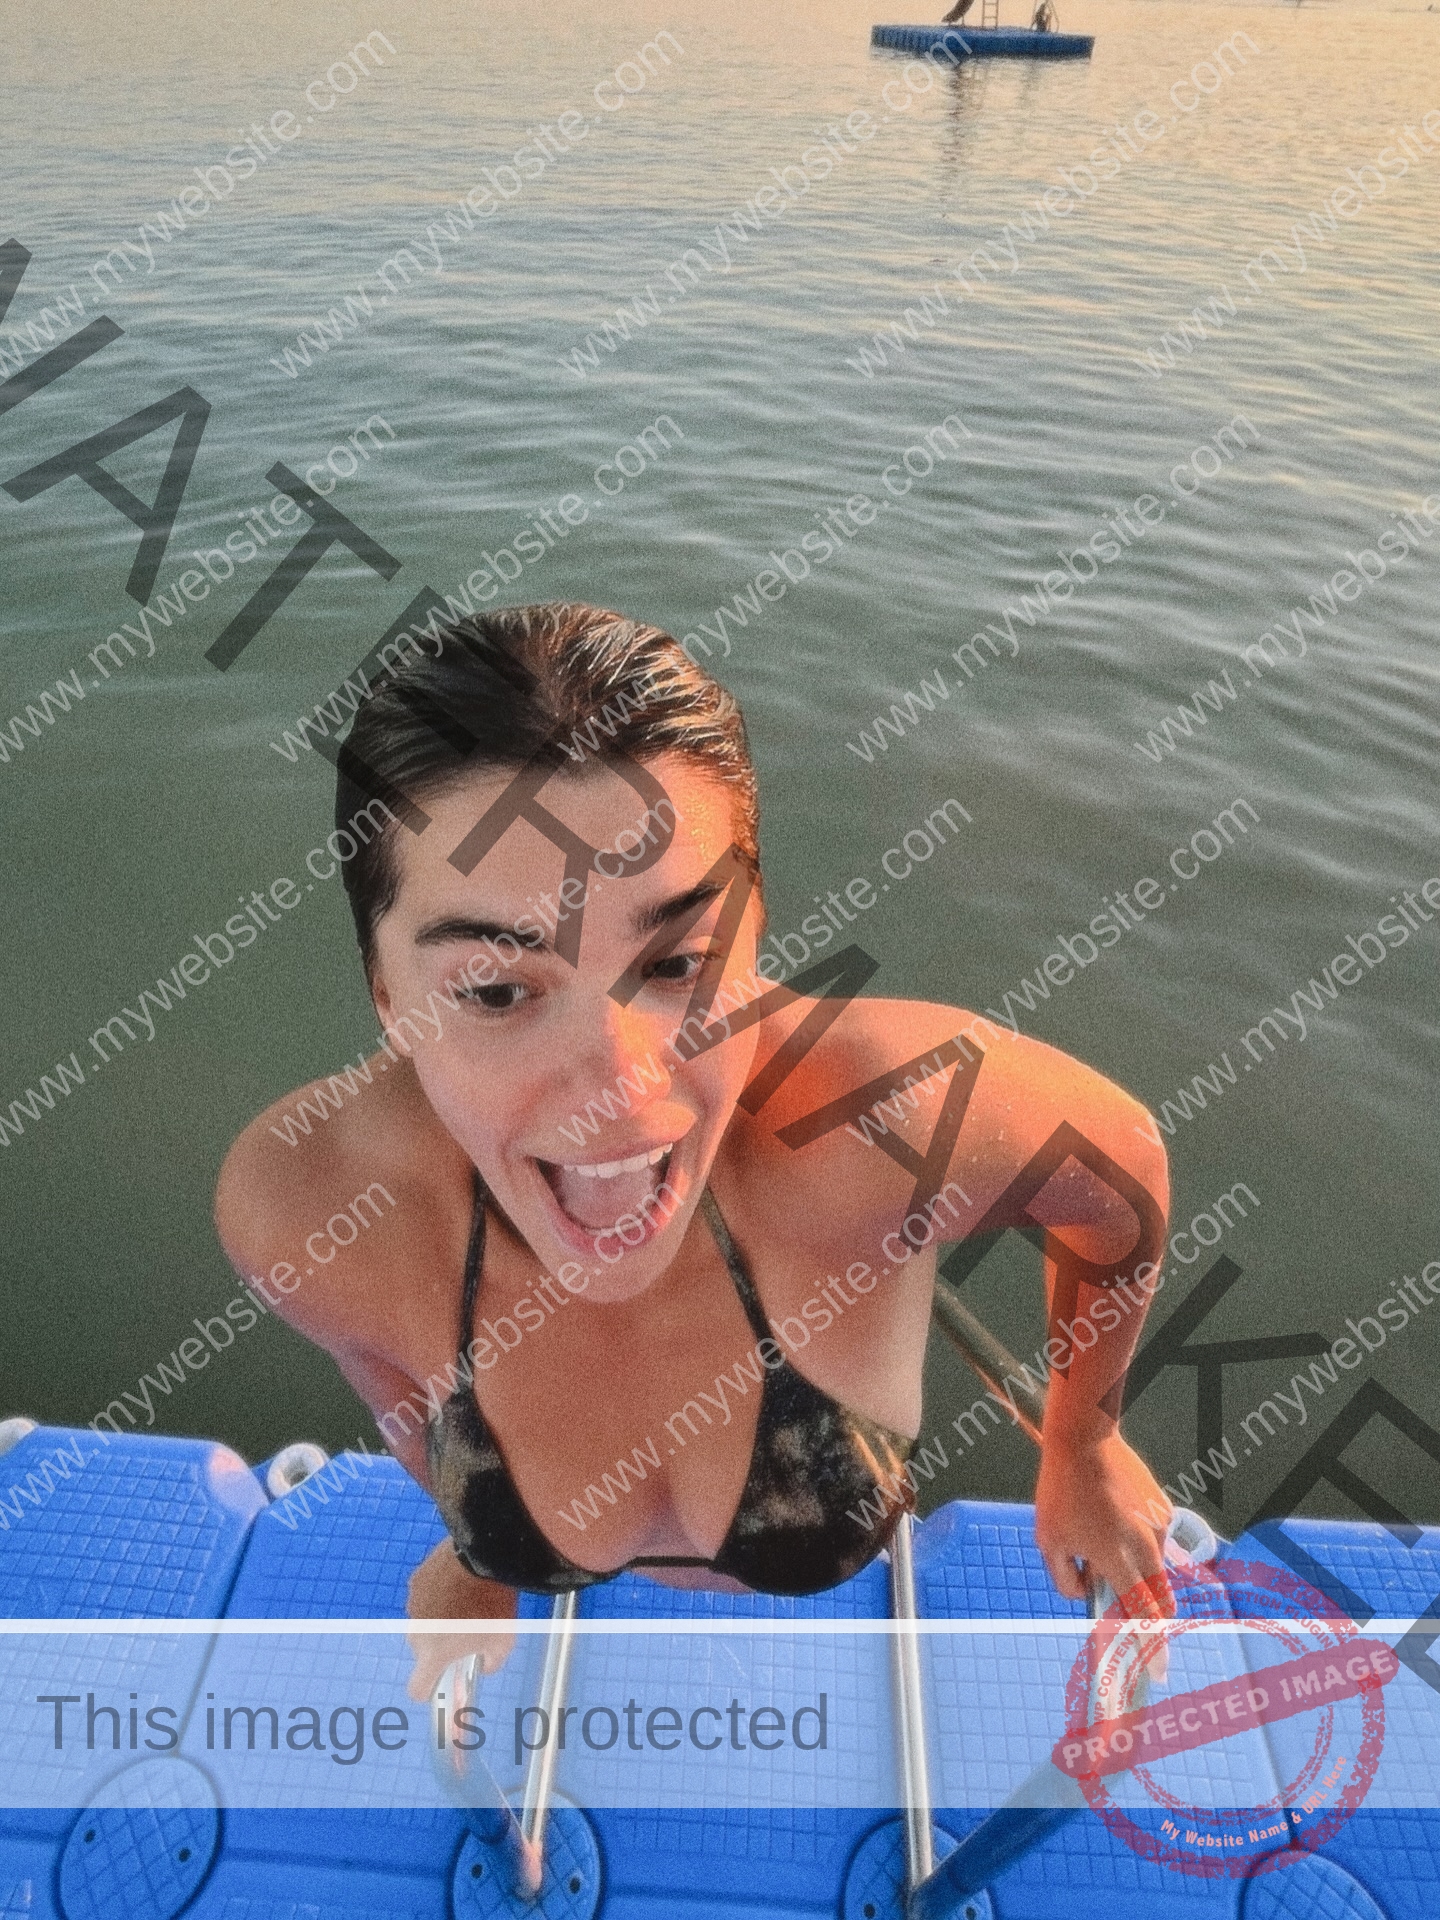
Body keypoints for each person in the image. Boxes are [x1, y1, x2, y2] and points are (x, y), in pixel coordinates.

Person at [215, 603, 1175, 1702]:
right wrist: (479, 1552)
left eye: (678, 964)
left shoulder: (890, 1121)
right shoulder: (307, 1208)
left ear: (754, 937)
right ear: (388, 997)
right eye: (496, 990)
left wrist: (1083, 1445)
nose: (623, 1086)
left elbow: (1122, 1177)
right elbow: (395, 1392)